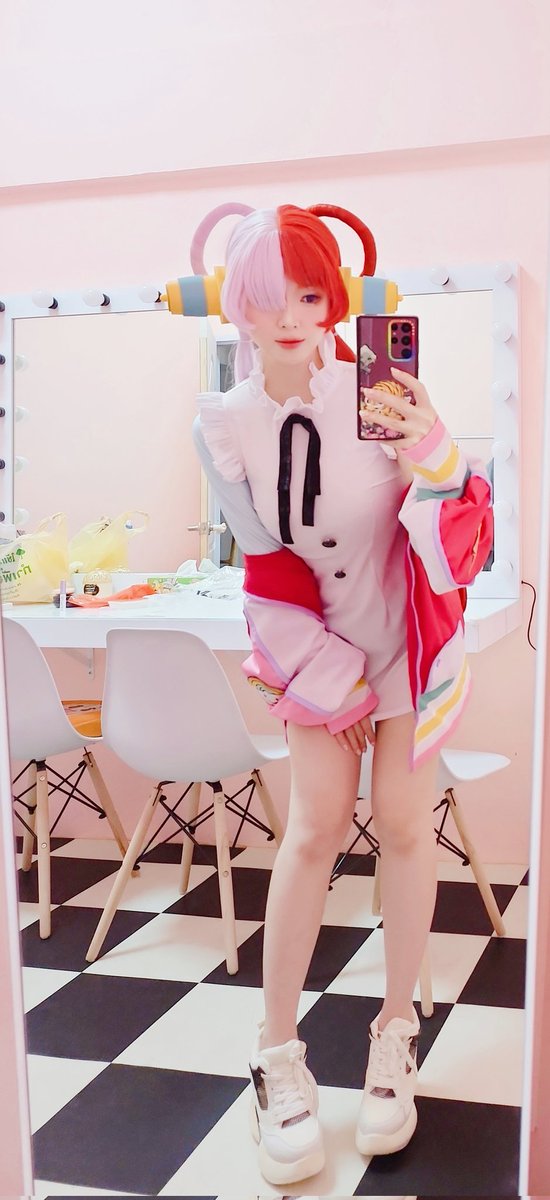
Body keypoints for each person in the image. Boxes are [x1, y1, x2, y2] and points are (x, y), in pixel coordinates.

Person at [191, 202, 493, 1187]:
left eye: (311, 295)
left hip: (405, 639)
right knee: (314, 829)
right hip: (314, 647)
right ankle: (276, 1057)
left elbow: (451, 521)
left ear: (336, 297)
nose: (291, 318)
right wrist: (334, 681)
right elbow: (267, 563)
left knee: (403, 824)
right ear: (236, 305)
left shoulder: (375, 382)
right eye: (269, 299)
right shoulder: (225, 422)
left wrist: (436, 447)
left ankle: (394, 1038)